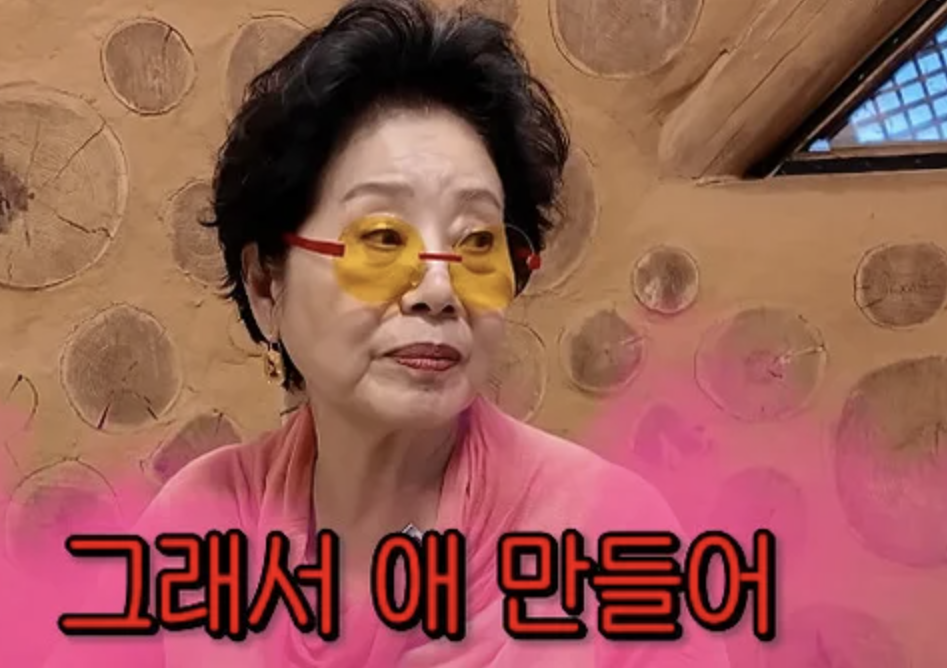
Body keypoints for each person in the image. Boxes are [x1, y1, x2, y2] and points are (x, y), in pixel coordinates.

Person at [47, 0, 731, 665]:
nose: (439, 290)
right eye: (381, 238)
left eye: (476, 242)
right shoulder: (199, 529)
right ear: (265, 284)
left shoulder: (611, 536)